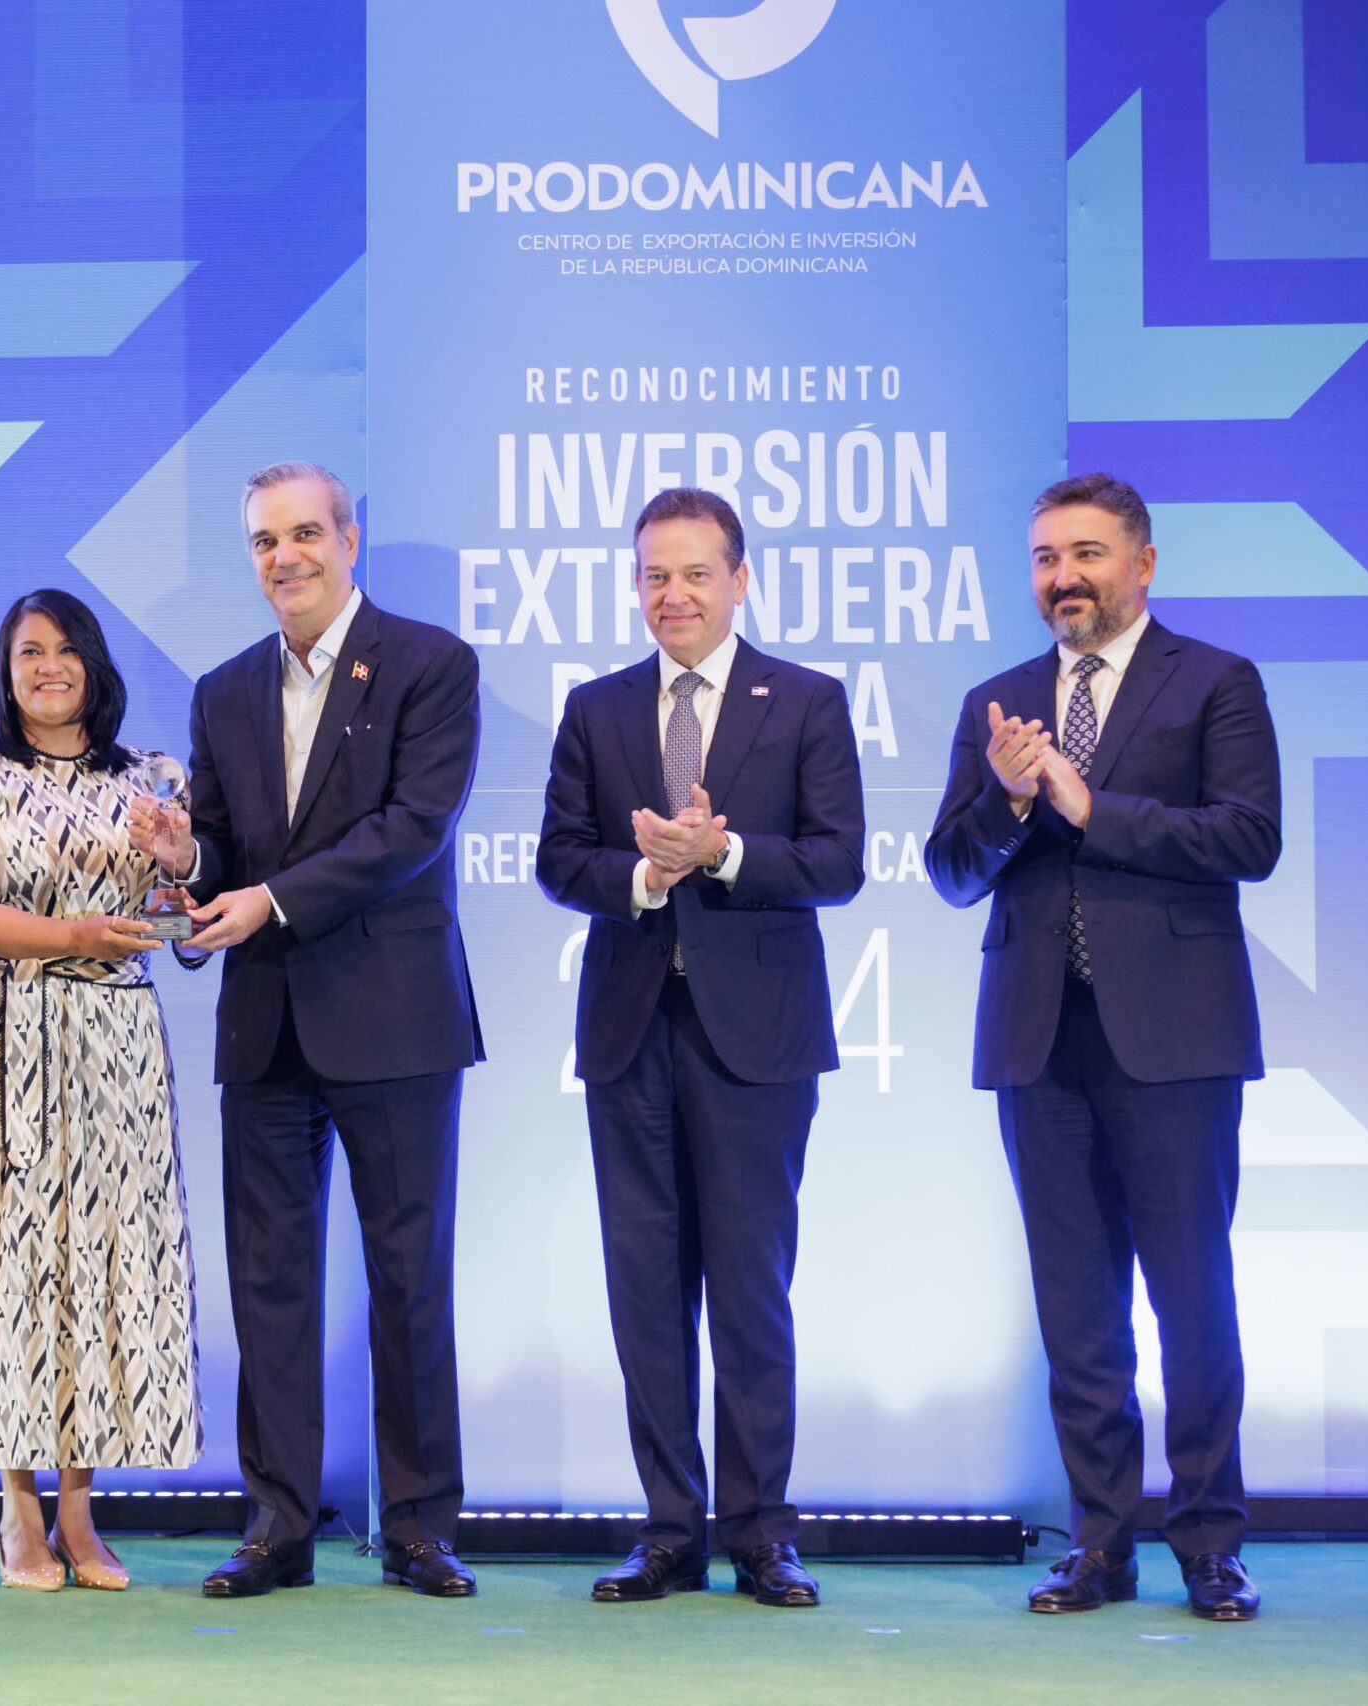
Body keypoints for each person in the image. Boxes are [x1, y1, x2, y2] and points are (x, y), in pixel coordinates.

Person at [926, 474, 1280, 1622]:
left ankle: (1210, 1542)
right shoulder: (997, 703)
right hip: (1039, 1042)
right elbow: (949, 872)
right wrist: (1007, 800)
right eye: (1044, 557)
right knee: (1077, 1311)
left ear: (1142, 562)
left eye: (1084, 552)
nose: (1062, 576)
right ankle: (1099, 1543)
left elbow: (1249, 836)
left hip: (1176, 1041)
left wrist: (1088, 805)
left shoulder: (1214, 681)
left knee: (1191, 1299)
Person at [136, 461, 484, 1600]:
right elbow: (224, 851)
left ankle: (420, 1526)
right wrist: (188, 858)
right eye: (262, 541)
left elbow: (413, 827)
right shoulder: (224, 688)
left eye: (303, 534)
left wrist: (268, 901)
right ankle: (278, 1524)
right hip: (267, 1022)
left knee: (409, 1279)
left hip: (396, 1016)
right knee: (270, 1283)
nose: (283, 557)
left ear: (348, 537)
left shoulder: (432, 662)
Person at [535, 487, 864, 1609]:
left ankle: (762, 1532)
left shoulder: (807, 700)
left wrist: (720, 856)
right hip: (629, 1033)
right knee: (646, 1293)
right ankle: (669, 1531)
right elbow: (558, 859)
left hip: (758, 1041)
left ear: (739, 579)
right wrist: (643, 873)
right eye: (653, 575)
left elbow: (838, 860)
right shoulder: (596, 708)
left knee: (751, 1292)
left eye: (693, 573)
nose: (671, 594)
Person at [0, 588, 202, 1593]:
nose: (49, 667)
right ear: (6, 666)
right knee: (8, 1260)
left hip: (115, 1043)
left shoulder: (149, 775)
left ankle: (79, 1510)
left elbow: (181, 926)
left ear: (95, 663)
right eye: (29, 650)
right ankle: (16, 1506)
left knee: (100, 1265)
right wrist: (73, 934)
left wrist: (181, 863)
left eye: (67, 649)